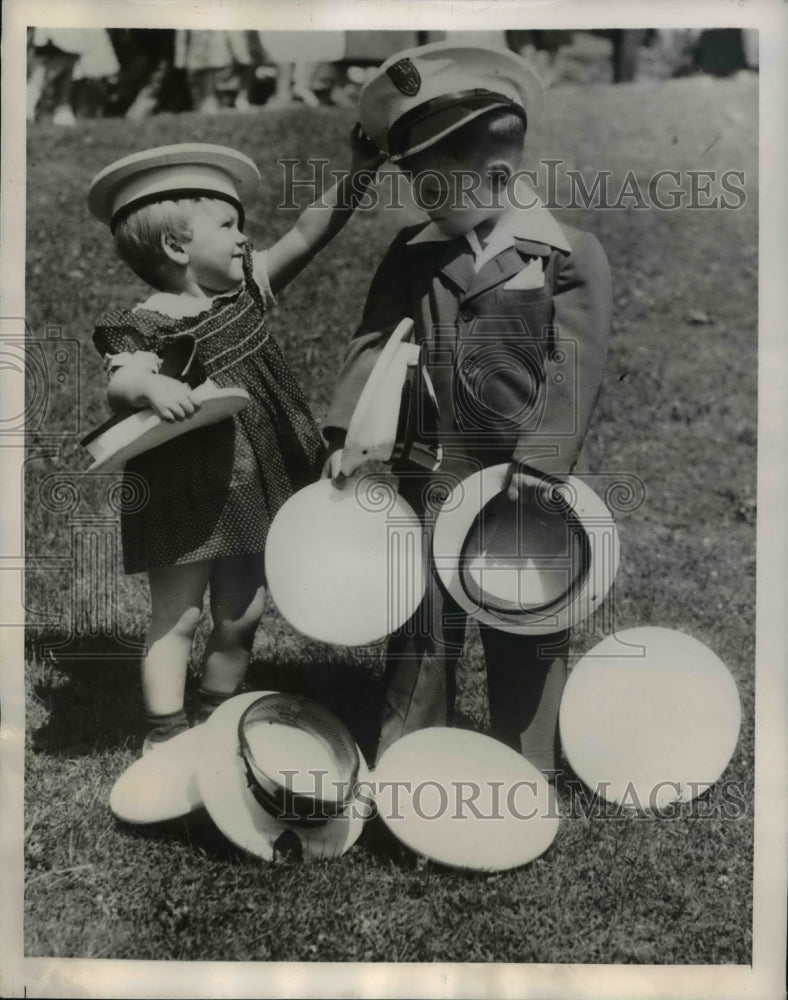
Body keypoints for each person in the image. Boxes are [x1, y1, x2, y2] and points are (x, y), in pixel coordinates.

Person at [323, 42, 613, 778]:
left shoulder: (568, 255)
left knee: (528, 616)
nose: (422, 201)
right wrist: (348, 433)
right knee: (422, 620)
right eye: (415, 183)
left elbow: (574, 367)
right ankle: (409, 763)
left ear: (497, 174)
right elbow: (371, 341)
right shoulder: (412, 254)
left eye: (434, 187)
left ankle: (528, 766)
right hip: (432, 466)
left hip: (524, 481)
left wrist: (544, 461)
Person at [88, 132, 385, 753]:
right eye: (229, 224)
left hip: (258, 482)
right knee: (179, 616)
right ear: (177, 245)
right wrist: (151, 388)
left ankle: (216, 713)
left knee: (241, 613)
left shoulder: (244, 294)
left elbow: (309, 233)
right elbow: (123, 382)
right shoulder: (146, 324)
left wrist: (359, 172)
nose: (245, 236)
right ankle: (165, 736)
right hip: (182, 491)